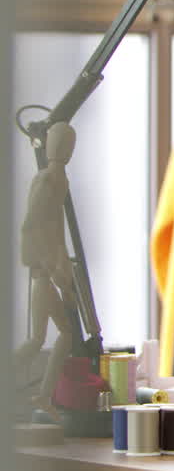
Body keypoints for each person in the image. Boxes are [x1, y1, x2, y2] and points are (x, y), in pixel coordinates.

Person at [14, 121, 80, 416]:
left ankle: (43, 397)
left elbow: (56, 230)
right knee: (41, 338)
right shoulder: (47, 181)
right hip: (43, 272)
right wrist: (49, 264)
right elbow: (34, 226)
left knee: (60, 334)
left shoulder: (57, 177)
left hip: (49, 269)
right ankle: (41, 396)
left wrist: (61, 266)